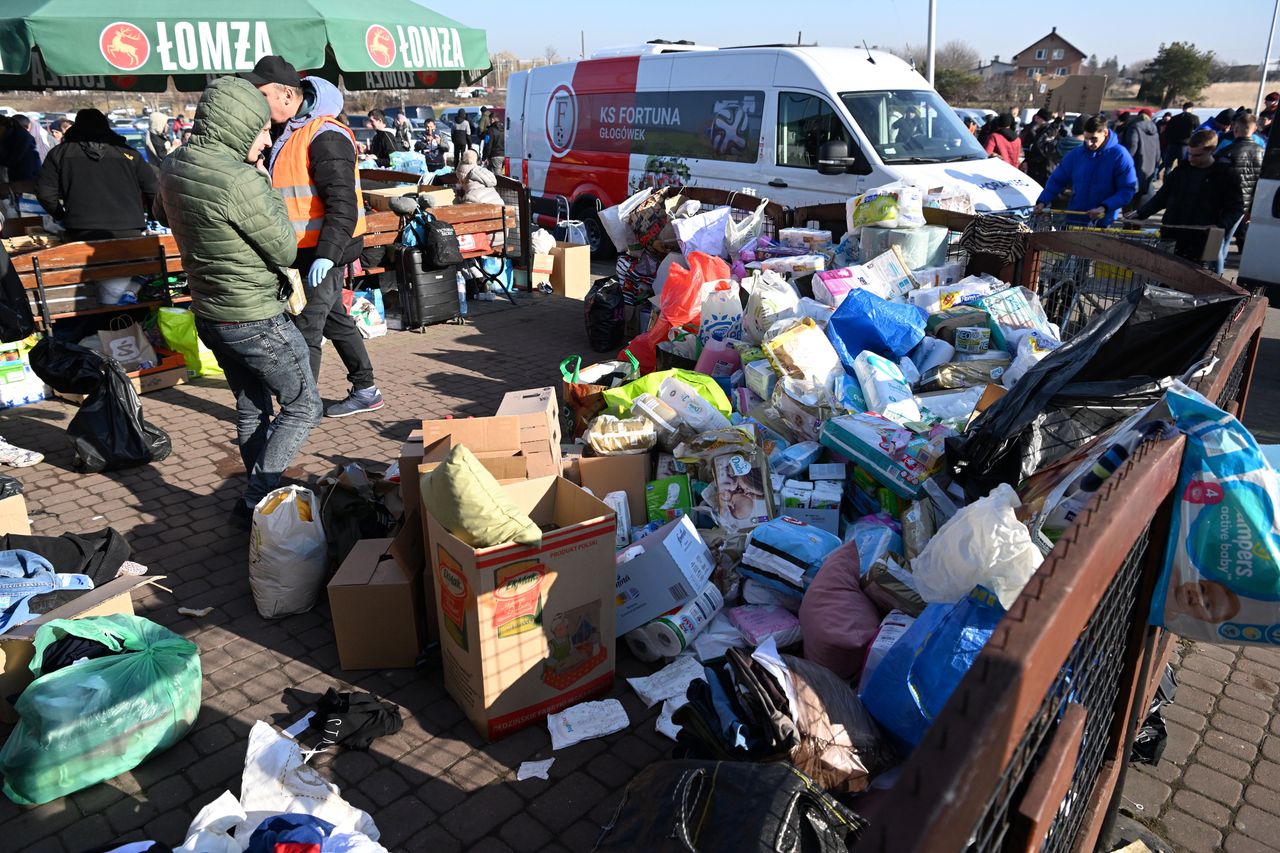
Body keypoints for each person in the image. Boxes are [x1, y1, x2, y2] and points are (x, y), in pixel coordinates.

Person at [157, 76, 319, 528]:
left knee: (252, 407)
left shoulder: (174, 164)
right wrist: (265, 187)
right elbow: (285, 249)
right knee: (304, 405)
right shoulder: (241, 180)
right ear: (236, 126)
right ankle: (255, 500)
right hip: (254, 317)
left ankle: (256, 500)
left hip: (212, 313)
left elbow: (160, 211)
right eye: (263, 130)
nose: (267, 140)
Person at [242, 55, 384, 418]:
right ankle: (366, 389)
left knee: (307, 329)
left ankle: (302, 411)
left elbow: (342, 204)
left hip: (325, 251)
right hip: (305, 250)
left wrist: (327, 254)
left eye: (262, 95)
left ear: (288, 95)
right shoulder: (287, 132)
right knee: (335, 318)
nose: (257, 104)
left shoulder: (325, 134)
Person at [37, 108, 158, 241]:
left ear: (76, 126)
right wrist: (153, 217)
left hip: (81, 228)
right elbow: (153, 189)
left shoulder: (59, 153)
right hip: (130, 227)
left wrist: (60, 216)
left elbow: (45, 193)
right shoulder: (129, 153)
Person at [1132, 129, 1240, 260]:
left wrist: (1220, 226)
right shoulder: (1181, 171)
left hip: (1202, 238)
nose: (1191, 158)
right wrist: (1141, 213)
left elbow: (1236, 208)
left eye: (1197, 155)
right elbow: (1161, 197)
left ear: (1212, 150)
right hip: (1171, 234)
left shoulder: (1225, 175)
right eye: (1189, 154)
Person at [1035, 115, 1138, 226]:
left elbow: (1127, 189)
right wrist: (1042, 201)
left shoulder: (1120, 155)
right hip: (1074, 218)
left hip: (1103, 221)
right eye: (1086, 138)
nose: (1089, 143)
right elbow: (1057, 180)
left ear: (1105, 133)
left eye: (1093, 139)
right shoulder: (1076, 154)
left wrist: (1105, 207)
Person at [1216, 113, 1265, 247]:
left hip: (1227, 203)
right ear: (1254, 129)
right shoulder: (1263, 152)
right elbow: (1261, 183)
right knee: (1233, 239)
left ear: (1235, 128)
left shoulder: (1226, 151)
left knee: (1219, 241)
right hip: (1248, 203)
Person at [1121, 107, 1160, 201]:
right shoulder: (1155, 129)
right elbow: (1158, 150)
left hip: (1136, 162)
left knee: (1131, 189)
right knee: (1144, 189)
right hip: (1150, 164)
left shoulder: (1134, 127)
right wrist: (1157, 163)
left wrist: (1125, 162)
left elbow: (1132, 146)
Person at [1163, 103, 1199, 179]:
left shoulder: (1174, 118)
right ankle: (1179, 183)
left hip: (1172, 145)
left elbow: (1167, 131)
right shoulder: (1194, 118)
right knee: (1182, 167)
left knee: (1168, 167)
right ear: (1191, 108)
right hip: (1184, 146)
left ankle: (1166, 183)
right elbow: (1198, 131)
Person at [0, 116, 40, 183]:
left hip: (24, 182)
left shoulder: (19, 140)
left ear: (2, 127)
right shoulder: (15, 136)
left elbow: (10, 161)